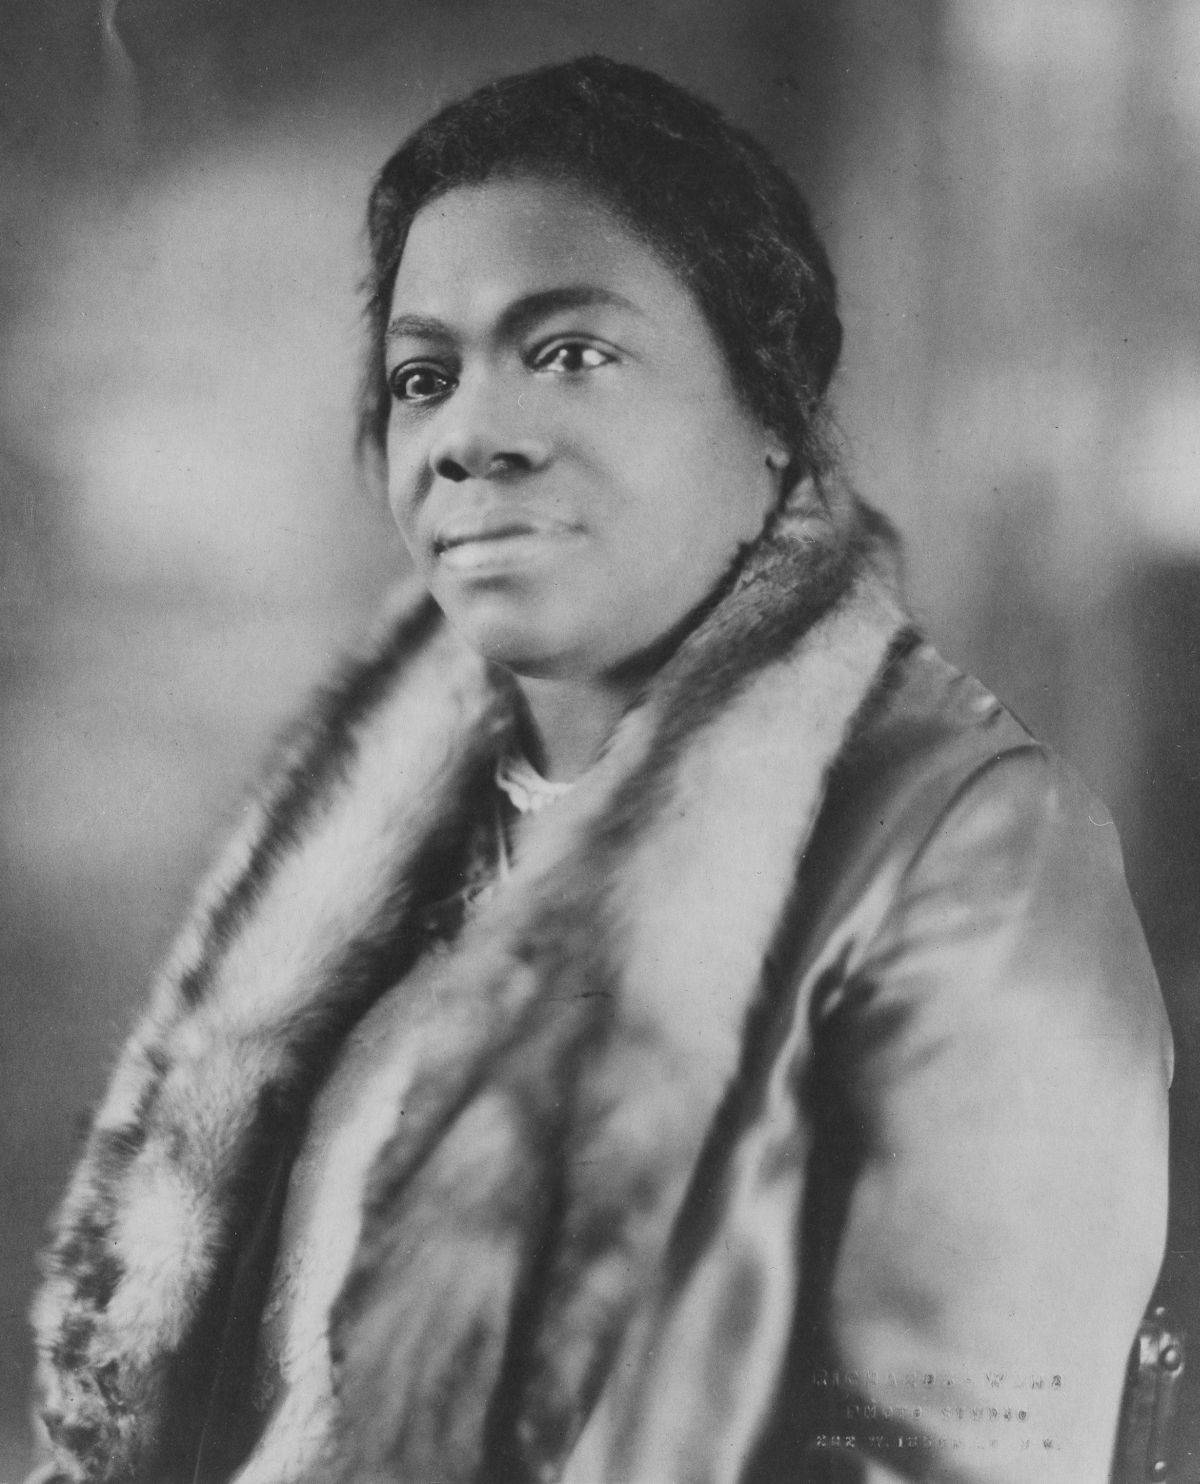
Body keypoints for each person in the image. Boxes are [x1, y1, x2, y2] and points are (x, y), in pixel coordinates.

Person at [27, 56, 1171, 1484]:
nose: (470, 437)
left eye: (569, 352)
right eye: (424, 377)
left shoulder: (973, 852)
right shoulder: (374, 866)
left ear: (772, 412)